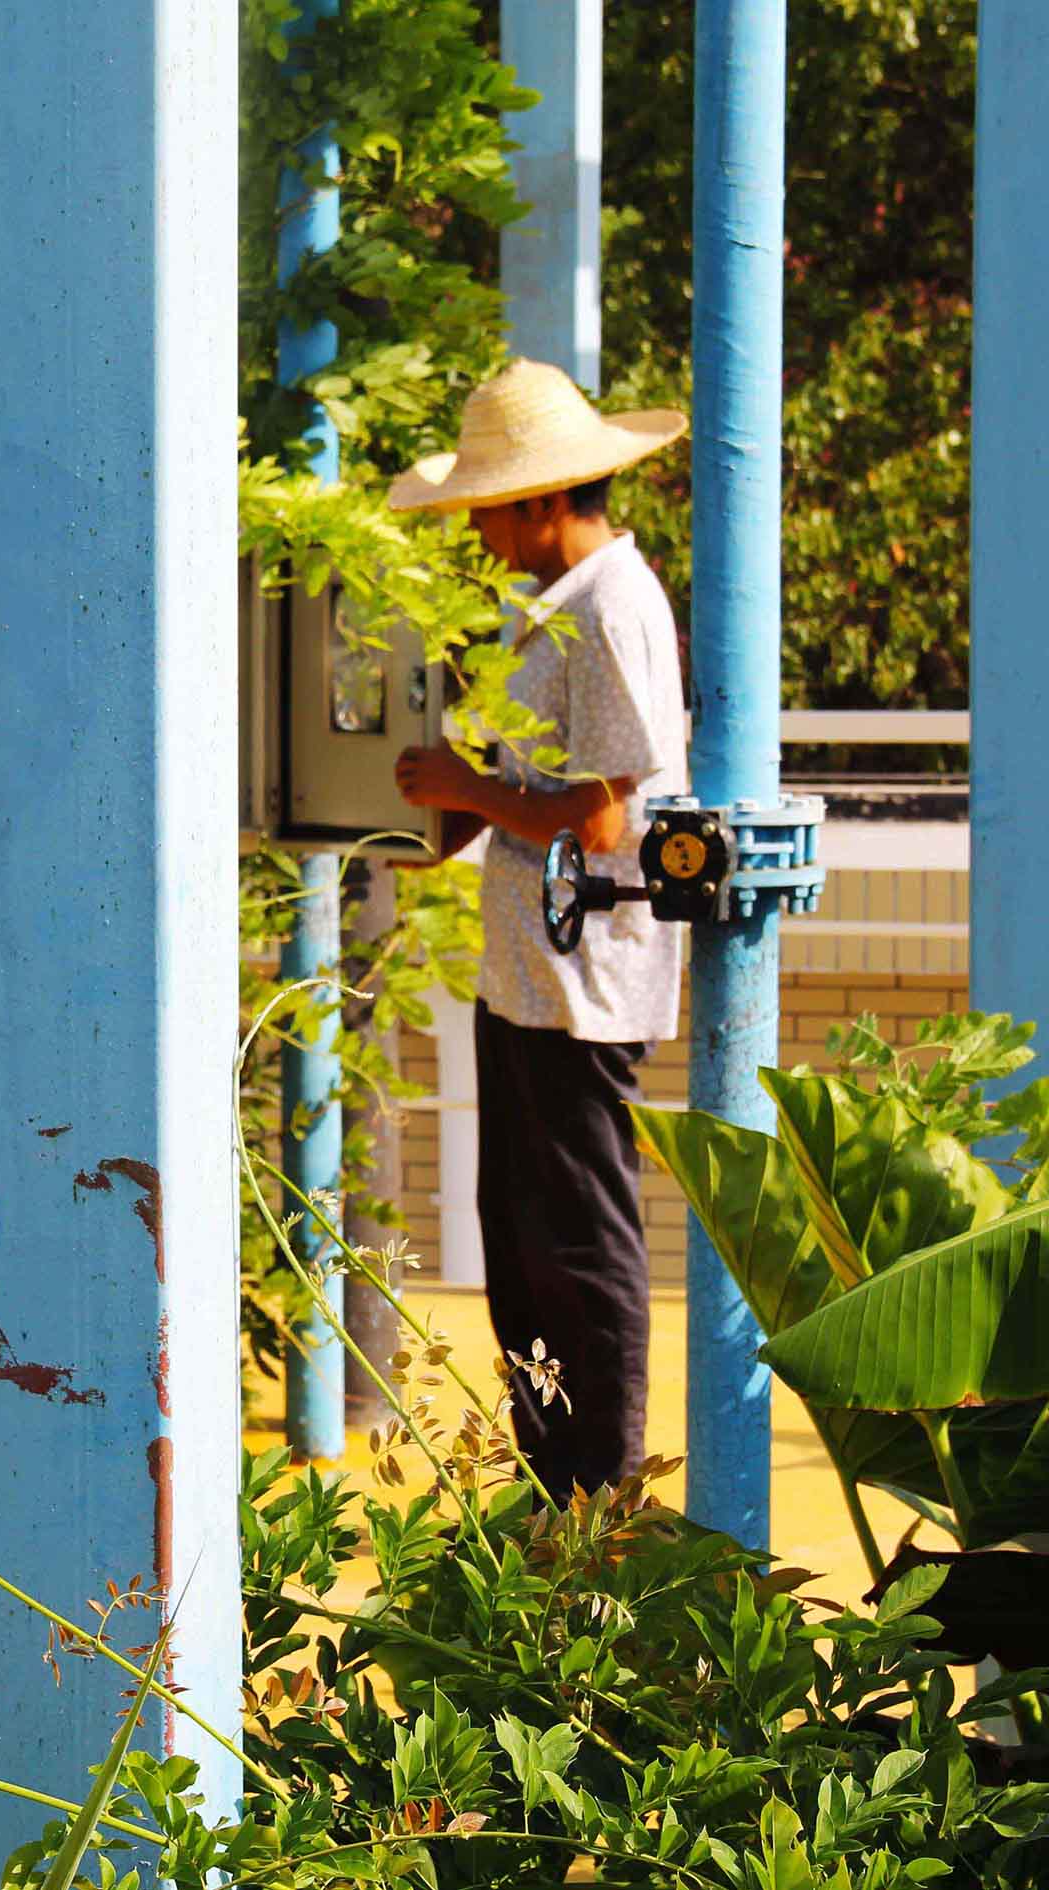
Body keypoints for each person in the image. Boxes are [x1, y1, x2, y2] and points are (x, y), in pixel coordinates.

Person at [387, 358, 689, 1500]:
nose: (477, 531)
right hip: (524, 973)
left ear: (543, 500)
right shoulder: (552, 612)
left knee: (576, 1239)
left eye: (486, 507)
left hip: (580, 984)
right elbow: (526, 790)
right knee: (519, 1238)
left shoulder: (614, 607)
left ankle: (600, 1486)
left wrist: (468, 788)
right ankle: (553, 1476)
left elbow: (609, 818)